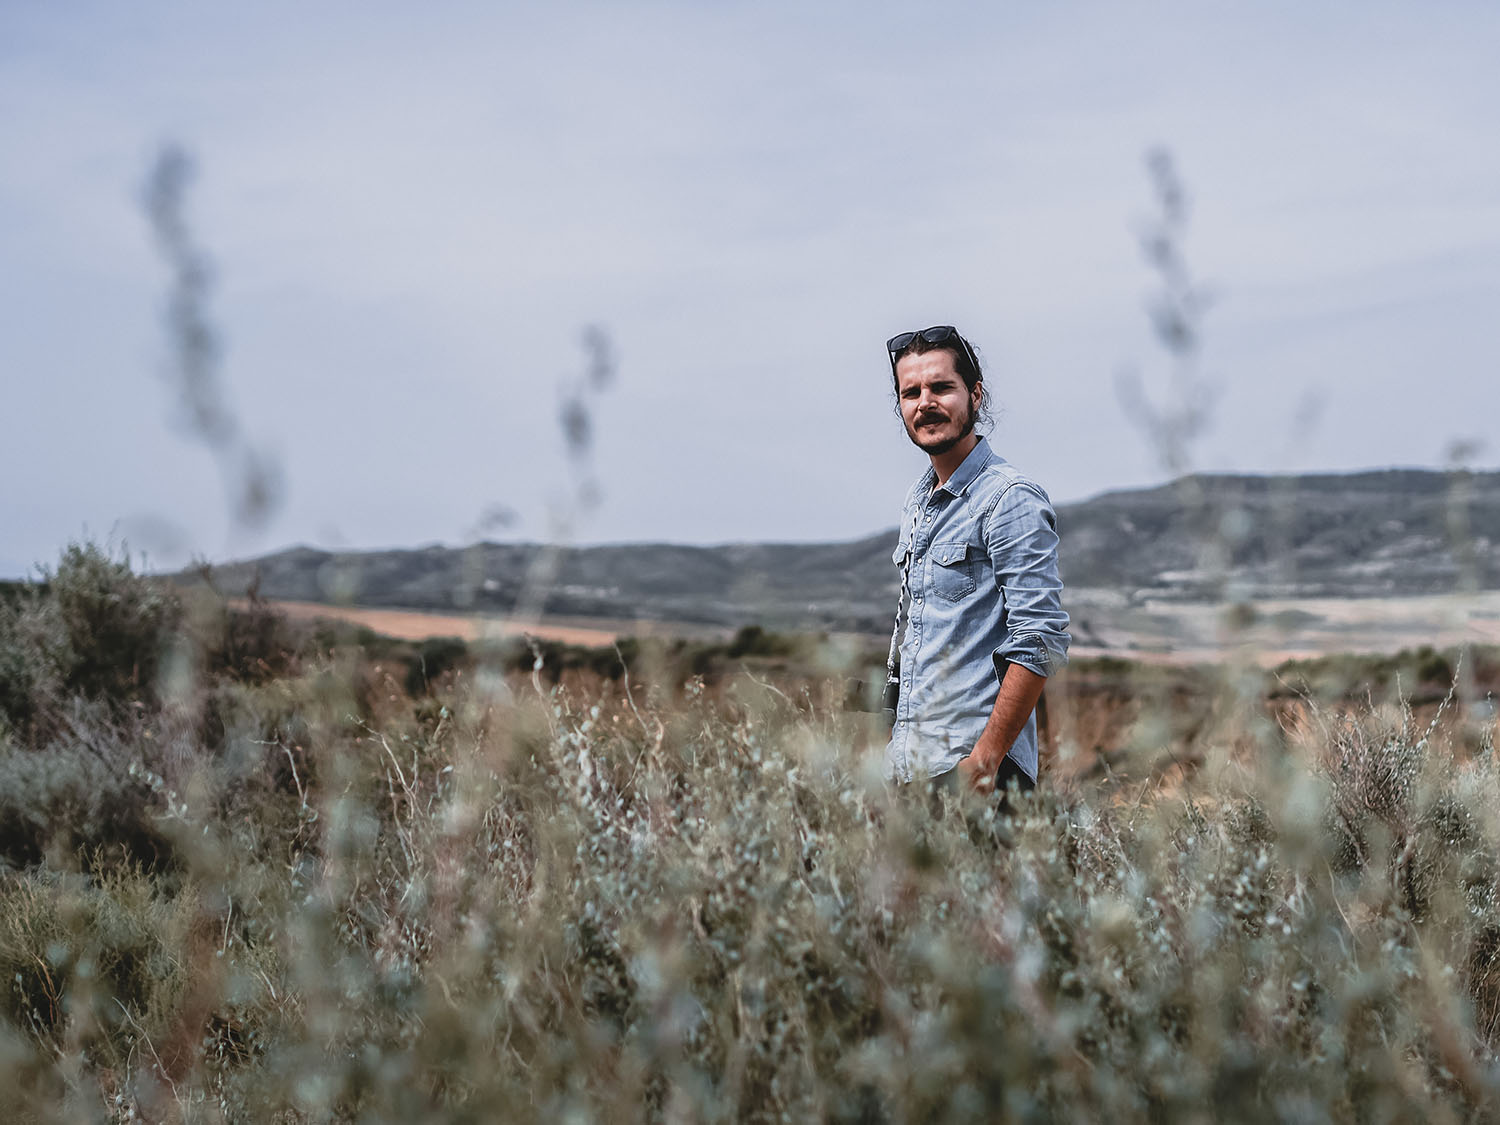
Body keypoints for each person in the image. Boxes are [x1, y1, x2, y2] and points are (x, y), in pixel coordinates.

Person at [882, 325, 1070, 799]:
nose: (925, 402)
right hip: (909, 770)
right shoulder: (918, 500)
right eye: (911, 392)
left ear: (976, 395)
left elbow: (1040, 639)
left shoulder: (1009, 499)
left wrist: (984, 762)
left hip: (977, 777)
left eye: (942, 387)